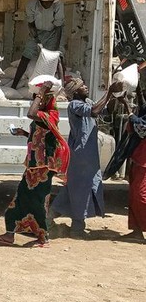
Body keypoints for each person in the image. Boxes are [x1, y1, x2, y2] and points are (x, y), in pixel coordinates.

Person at [0, 81, 69, 247]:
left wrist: (42, 92)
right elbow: (41, 137)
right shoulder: (44, 115)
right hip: (34, 165)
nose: (35, 100)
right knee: (22, 198)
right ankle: (11, 234)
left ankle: (43, 236)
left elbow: (31, 114)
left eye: (37, 98)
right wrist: (24, 133)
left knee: (37, 201)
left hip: (42, 167)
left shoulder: (50, 114)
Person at [49, 78, 122, 238]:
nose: (86, 86)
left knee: (76, 189)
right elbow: (95, 111)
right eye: (82, 86)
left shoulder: (87, 101)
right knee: (81, 188)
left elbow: (105, 110)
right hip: (81, 154)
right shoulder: (74, 105)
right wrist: (109, 92)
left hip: (88, 153)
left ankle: (52, 218)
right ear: (75, 91)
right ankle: (76, 227)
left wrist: (116, 96)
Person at [11, 0, 66, 88]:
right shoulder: (32, 5)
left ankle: (62, 86)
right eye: (45, 2)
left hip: (53, 33)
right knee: (26, 56)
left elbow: (59, 26)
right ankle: (14, 85)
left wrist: (55, 47)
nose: (48, 4)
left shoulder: (58, 5)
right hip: (36, 32)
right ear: (40, 0)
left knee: (58, 57)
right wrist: (36, 38)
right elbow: (31, 24)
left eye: (50, 2)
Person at [118, 99, 146, 242]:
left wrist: (129, 111)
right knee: (135, 195)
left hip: (143, 160)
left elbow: (142, 129)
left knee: (140, 195)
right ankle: (137, 230)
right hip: (139, 157)